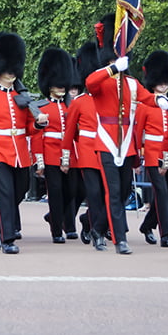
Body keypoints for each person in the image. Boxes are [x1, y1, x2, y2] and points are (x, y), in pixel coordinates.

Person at [85, 14, 168, 255]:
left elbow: (146, 97)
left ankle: (98, 229)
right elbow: (90, 82)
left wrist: (159, 100)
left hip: (127, 143)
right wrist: (111, 68)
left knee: (122, 192)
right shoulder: (102, 80)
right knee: (113, 191)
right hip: (107, 141)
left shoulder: (131, 83)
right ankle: (120, 239)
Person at [0, 32, 48, 254]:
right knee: (5, 194)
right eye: (7, 69)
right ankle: (7, 239)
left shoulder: (22, 97)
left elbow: (28, 129)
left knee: (19, 192)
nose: (11, 73)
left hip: (20, 152)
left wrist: (40, 124)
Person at [32, 46, 76, 244]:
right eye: (57, 85)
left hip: (69, 154)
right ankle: (57, 231)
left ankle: (55, 217)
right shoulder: (42, 107)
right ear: (49, 85)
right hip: (50, 153)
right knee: (56, 192)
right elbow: (36, 135)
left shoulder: (71, 106)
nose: (61, 88)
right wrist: (39, 161)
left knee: (72, 191)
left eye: (63, 85)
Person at [62, 42, 104, 248]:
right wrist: (65, 156)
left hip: (109, 151)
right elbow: (70, 133)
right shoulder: (79, 101)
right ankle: (97, 232)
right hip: (87, 151)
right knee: (94, 194)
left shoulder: (112, 100)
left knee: (112, 194)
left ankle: (88, 221)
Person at [134, 50, 168, 247]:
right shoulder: (145, 106)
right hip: (152, 153)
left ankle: (147, 226)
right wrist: (136, 157)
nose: (163, 86)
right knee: (160, 193)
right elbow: (137, 133)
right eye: (160, 83)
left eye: (166, 82)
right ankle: (166, 234)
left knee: (166, 193)